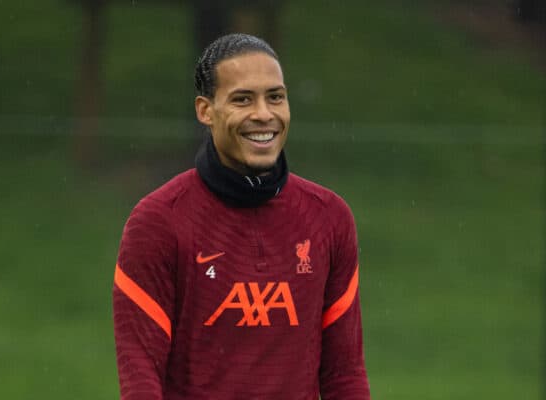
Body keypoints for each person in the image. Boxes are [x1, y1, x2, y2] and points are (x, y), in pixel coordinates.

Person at [113, 33, 371, 399]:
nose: (264, 114)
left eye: (275, 97)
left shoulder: (329, 217)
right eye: (242, 99)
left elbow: (345, 374)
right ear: (205, 111)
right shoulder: (157, 221)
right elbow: (140, 378)